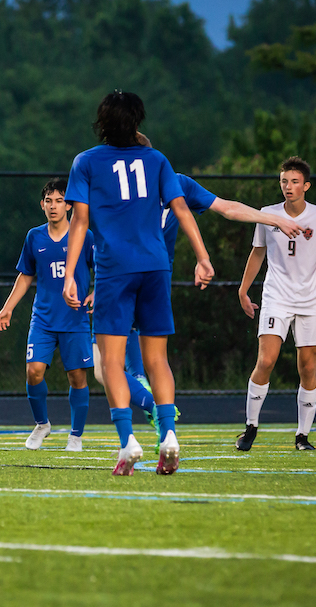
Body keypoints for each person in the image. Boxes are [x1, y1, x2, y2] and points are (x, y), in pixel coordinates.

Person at [63, 90, 215, 476]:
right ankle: (169, 435)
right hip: (156, 267)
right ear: (137, 122)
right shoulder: (157, 159)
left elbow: (79, 222)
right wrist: (203, 257)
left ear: (102, 122)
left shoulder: (86, 162)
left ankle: (128, 441)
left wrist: (70, 274)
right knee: (157, 359)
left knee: (112, 362)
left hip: (115, 268)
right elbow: (181, 210)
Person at [98, 168, 303, 443]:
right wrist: (271, 219)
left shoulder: (115, 180)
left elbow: (91, 227)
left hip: (119, 278)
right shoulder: (175, 181)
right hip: (156, 278)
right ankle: (166, 428)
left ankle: (135, 430)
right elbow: (228, 208)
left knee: (105, 366)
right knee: (154, 360)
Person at [235, 157, 316, 452]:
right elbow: (257, 254)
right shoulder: (267, 215)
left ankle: (302, 436)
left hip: (311, 301)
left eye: (294, 182)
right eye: (284, 181)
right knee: (266, 360)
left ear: (306, 186)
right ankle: (251, 427)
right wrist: (243, 290)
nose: (288, 187)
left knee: (308, 367)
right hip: (276, 297)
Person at [0, 178, 96, 452]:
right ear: (42, 205)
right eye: (49, 201)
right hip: (44, 320)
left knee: (77, 377)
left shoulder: (84, 235)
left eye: (59, 201)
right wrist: (7, 308)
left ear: (69, 206)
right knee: (33, 371)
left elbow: (105, 267)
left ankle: (75, 435)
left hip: (75, 319)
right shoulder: (34, 237)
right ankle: (42, 424)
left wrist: (96, 293)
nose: (53, 206)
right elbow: (26, 276)